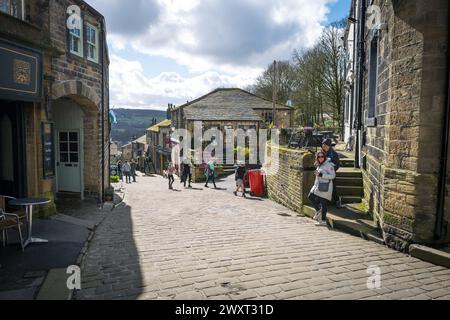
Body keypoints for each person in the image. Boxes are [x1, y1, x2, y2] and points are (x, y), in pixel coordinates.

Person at [308, 151, 336, 226]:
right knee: (310, 196)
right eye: (319, 157)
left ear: (324, 157)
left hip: (325, 186)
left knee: (323, 203)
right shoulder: (319, 165)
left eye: (322, 156)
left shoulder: (328, 165)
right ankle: (318, 211)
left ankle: (323, 221)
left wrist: (321, 174)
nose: (320, 158)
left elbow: (333, 176)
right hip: (317, 185)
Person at [322, 138, 341, 208]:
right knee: (322, 188)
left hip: (330, 174)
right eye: (323, 145)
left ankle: (337, 201)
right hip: (323, 174)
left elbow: (337, 165)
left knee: (333, 188)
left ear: (328, 146)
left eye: (325, 145)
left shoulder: (334, 154)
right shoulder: (321, 152)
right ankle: (323, 203)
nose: (323, 146)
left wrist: (331, 171)